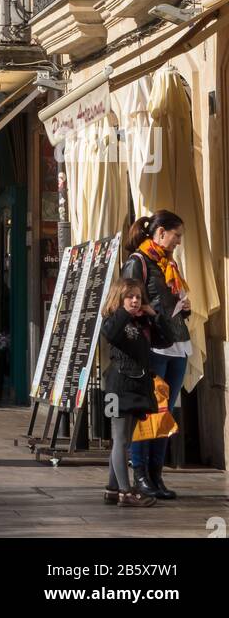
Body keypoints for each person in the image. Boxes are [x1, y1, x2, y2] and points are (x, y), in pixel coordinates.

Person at [121, 211, 190, 499]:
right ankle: (140, 475)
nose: (178, 242)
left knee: (166, 414)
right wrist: (147, 310)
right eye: (176, 236)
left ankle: (156, 475)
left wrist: (183, 306)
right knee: (149, 412)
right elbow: (125, 301)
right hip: (153, 346)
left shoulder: (168, 263)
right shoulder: (138, 262)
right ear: (160, 232)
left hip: (177, 343)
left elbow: (167, 298)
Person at [101, 277, 174, 507]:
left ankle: (112, 489)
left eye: (138, 297)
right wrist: (124, 311)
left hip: (137, 388)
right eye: (129, 296)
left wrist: (154, 315)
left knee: (123, 441)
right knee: (121, 440)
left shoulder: (142, 323)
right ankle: (126, 491)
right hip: (117, 387)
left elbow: (167, 339)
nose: (134, 300)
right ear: (119, 298)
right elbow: (110, 334)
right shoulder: (114, 320)